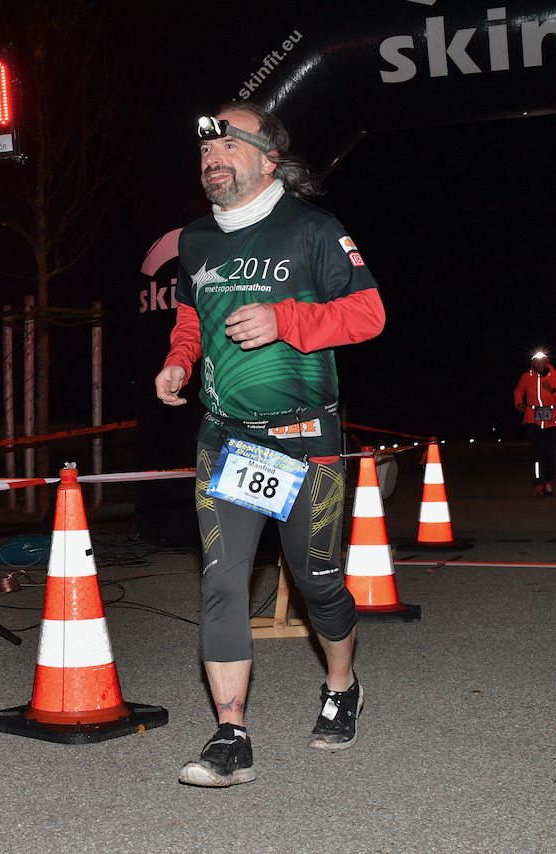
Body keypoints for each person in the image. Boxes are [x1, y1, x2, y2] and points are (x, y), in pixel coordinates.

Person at [154, 102, 385, 787]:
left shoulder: (312, 229)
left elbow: (369, 314)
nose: (212, 156)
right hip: (227, 439)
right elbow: (193, 317)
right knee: (223, 581)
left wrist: (286, 318)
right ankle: (231, 735)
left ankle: (342, 686)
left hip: (305, 439)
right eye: (205, 150)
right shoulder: (194, 240)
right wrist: (179, 360)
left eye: (228, 143)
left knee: (316, 583)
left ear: (269, 159)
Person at [513, 352, 556, 497]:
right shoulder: (526, 377)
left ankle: (547, 481)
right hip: (533, 418)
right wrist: (519, 404)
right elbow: (518, 391)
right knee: (537, 451)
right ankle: (537, 484)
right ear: (532, 363)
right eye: (536, 361)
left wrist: (552, 391)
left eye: (542, 360)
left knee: (549, 452)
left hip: (552, 419)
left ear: (547, 361)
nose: (540, 364)